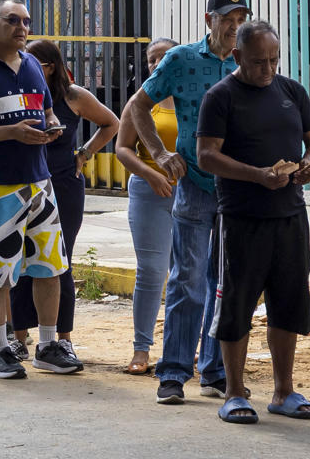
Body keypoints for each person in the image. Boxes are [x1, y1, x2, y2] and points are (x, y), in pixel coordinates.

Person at [196, 19, 310, 424]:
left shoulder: (291, 91)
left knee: (288, 304)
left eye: (273, 60)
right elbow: (206, 156)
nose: (267, 69)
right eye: (258, 62)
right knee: (236, 305)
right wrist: (258, 175)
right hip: (241, 219)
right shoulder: (221, 97)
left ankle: (283, 391)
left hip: (290, 216)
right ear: (237, 56)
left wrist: (308, 164)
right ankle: (234, 393)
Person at [123, 0, 243, 404]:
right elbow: (138, 105)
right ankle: (173, 373)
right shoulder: (181, 59)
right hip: (194, 183)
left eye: (239, 18)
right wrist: (158, 151)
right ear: (208, 20)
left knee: (224, 283)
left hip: (238, 189)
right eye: (227, 18)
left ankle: (214, 370)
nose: (233, 26)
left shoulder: (249, 62)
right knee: (187, 281)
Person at [0, 0, 78, 380]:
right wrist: (11, 132)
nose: (22, 27)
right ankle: (3, 349)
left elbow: (48, 110)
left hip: (41, 184)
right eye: (13, 20)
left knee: (50, 267)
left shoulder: (34, 65)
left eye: (26, 21)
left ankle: (49, 345)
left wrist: (51, 124)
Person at [9, 38, 118, 365]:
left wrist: (85, 153)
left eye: (31, 61)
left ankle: (63, 339)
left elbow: (111, 122)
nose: (23, 66)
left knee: (59, 261)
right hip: (25, 184)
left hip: (63, 186)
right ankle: (19, 338)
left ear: (50, 66)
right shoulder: (20, 94)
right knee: (21, 259)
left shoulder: (72, 96)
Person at [114, 38, 179, 375]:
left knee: (191, 273)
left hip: (191, 196)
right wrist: (150, 175)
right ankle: (142, 349)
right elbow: (122, 148)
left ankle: (185, 346)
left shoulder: (194, 98)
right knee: (152, 271)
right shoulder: (141, 103)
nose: (156, 64)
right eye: (151, 59)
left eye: (163, 57)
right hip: (149, 192)